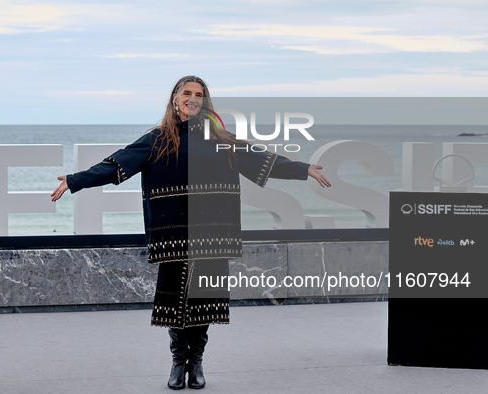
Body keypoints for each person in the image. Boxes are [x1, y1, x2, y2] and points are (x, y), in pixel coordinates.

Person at [51, 75, 331, 390]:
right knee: (175, 304)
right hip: (173, 235)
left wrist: (302, 168)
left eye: (199, 94)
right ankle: (177, 361)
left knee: (203, 302)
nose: (193, 98)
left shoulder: (221, 138)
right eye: (187, 93)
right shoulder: (156, 138)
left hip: (212, 235)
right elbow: (117, 165)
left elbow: (260, 160)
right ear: (175, 99)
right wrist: (74, 181)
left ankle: (196, 362)